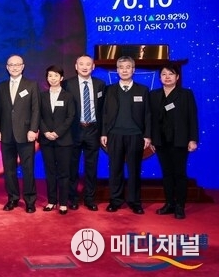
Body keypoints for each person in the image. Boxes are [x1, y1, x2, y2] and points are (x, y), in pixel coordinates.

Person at [101, 56, 151, 214]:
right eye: (121, 67)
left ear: (133, 70)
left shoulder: (142, 90)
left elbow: (148, 114)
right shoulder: (109, 90)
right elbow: (104, 113)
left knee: (134, 170)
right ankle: (115, 200)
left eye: (128, 67)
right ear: (117, 70)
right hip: (114, 135)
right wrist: (103, 133)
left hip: (135, 135)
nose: (124, 70)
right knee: (115, 169)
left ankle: (135, 202)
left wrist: (147, 135)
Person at [150, 63, 198, 219]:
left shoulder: (186, 94)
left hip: (180, 140)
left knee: (179, 173)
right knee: (167, 174)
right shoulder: (154, 95)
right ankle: (169, 203)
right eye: (164, 74)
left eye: (171, 74)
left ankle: (180, 206)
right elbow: (150, 119)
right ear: (160, 77)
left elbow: (192, 118)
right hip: (161, 141)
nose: (167, 77)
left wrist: (193, 139)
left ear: (177, 77)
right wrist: (151, 138)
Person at [0, 54, 40, 213]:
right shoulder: (1, 86)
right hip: (6, 134)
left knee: (28, 169)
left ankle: (30, 200)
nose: (14, 67)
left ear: (23, 66)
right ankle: (12, 198)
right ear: (7, 67)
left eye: (17, 64)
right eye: (11, 65)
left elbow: (36, 109)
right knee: (9, 169)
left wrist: (33, 129)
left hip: (26, 134)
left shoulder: (31, 85)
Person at [62, 55, 105, 211]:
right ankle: (72, 198)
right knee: (72, 167)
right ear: (76, 66)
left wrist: (103, 132)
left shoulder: (100, 84)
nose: (85, 67)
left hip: (93, 130)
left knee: (91, 167)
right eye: (81, 64)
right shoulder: (67, 84)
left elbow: (103, 110)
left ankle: (89, 199)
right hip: (74, 130)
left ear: (93, 67)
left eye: (88, 64)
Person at [39, 65, 75, 215]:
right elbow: (38, 116)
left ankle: (63, 203)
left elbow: (70, 117)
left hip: (64, 140)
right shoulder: (42, 96)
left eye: (55, 76)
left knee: (64, 173)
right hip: (46, 140)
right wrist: (46, 132)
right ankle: (52, 201)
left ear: (61, 78)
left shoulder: (68, 96)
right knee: (50, 172)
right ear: (47, 78)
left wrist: (57, 133)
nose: (52, 78)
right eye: (50, 76)